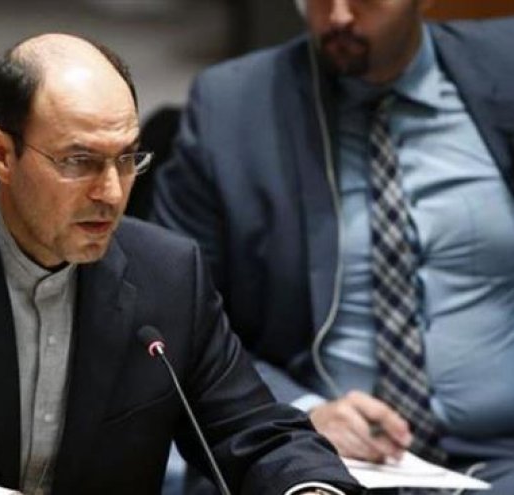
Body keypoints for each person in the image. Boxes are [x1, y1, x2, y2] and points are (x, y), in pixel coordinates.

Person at [0, 33, 361, 495]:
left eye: (126, 158)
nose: (111, 192)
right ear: (2, 154)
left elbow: (256, 433)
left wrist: (309, 487)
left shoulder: (169, 275)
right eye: (79, 162)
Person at [154, 0, 514, 492]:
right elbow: (179, 319)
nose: (339, 16)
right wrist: (300, 413)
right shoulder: (233, 107)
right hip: (319, 456)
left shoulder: (502, 67)